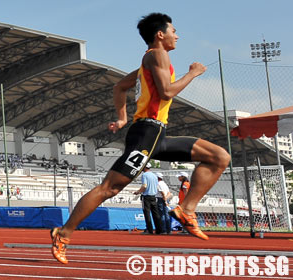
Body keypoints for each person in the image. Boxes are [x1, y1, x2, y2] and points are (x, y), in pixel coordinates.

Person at [50, 12, 230, 264]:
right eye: (173, 31)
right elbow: (167, 93)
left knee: (219, 157)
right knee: (109, 189)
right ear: (160, 34)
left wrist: (122, 118)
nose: (177, 35)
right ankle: (63, 233)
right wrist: (193, 73)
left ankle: (186, 209)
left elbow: (120, 87)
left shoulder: (149, 61)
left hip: (157, 134)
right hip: (147, 134)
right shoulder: (158, 55)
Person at [133, 163, 162, 234]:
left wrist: (138, 192)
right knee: (156, 214)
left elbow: (144, 186)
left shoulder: (144, 175)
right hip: (154, 196)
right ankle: (159, 230)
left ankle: (149, 229)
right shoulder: (154, 175)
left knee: (147, 213)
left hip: (146, 196)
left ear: (145, 167)